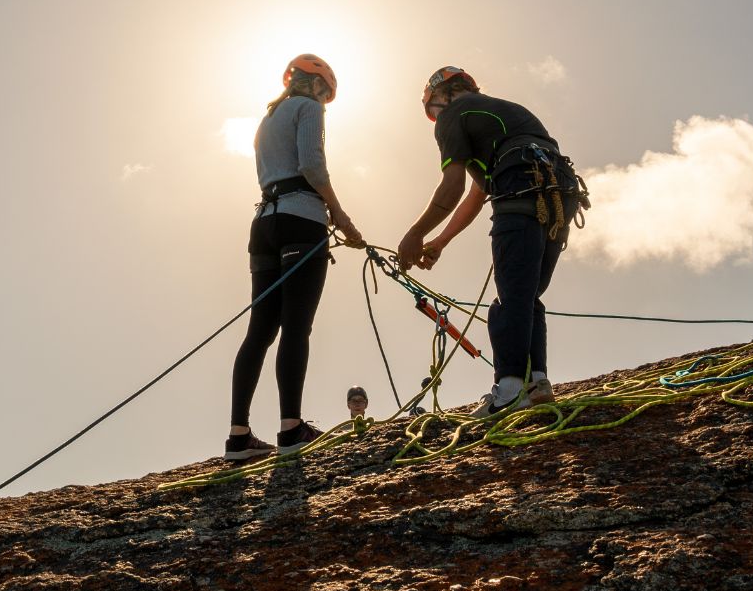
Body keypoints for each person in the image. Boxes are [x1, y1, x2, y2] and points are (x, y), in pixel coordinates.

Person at [395, 66, 585, 416]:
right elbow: (477, 192)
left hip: (519, 188)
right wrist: (441, 240)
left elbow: (453, 186)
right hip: (559, 196)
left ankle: (510, 389)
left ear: (444, 95)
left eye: (433, 108)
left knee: (509, 300)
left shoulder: (453, 115)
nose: (436, 116)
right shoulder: (510, 111)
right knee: (526, 296)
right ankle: (537, 381)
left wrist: (415, 234)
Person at [226, 54, 366, 461]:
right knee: (296, 327)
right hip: (301, 221)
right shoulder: (308, 108)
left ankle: (238, 436)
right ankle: (291, 428)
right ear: (318, 86)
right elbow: (311, 165)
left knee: (259, 331)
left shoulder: (267, 120)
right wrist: (339, 214)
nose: (324, 100)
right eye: (326, 92)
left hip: (264, 224)